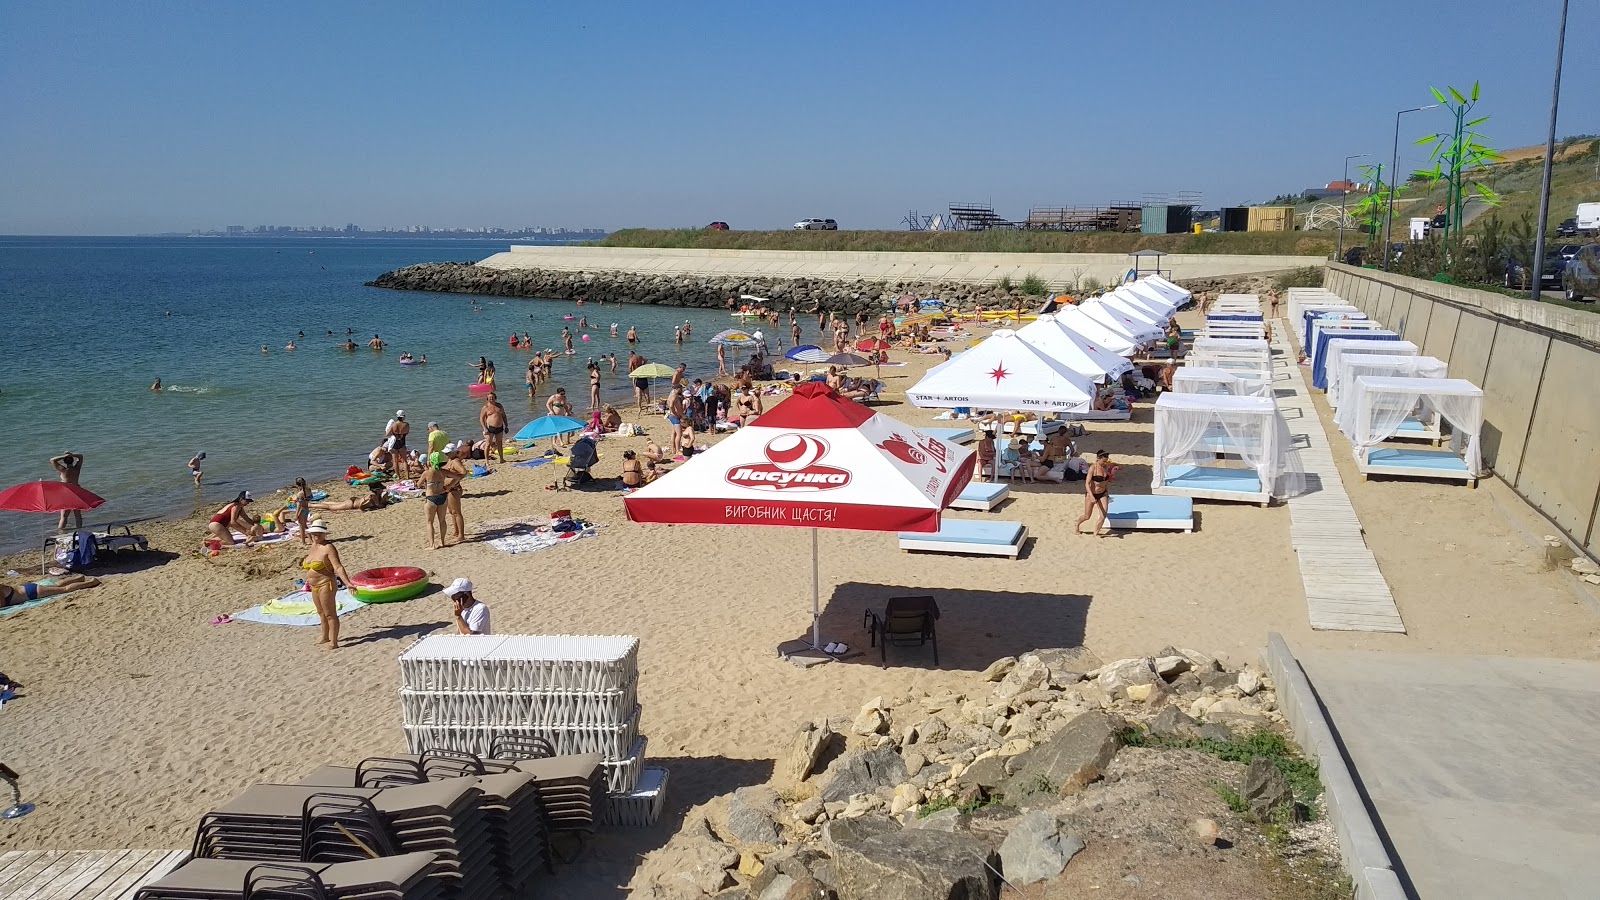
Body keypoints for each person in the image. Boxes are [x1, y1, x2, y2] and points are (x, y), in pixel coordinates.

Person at [301, 519, 356, 650]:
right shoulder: (313, 545)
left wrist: (347, 583)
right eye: (314, 533)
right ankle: (325, 636)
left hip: (326, 583)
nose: (316, 536)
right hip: (313, 585)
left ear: (325, 534)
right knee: (321, 612)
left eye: (319, 533)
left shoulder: (329, 548)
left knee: (330, 613)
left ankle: (334, 642)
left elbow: (338, 567)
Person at [421, 452, 464, 549]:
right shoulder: (443, 472)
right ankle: (442, 542)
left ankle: (432, 545)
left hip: (431, 498)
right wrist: (449, 486)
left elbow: (418, 484)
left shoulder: (427, 473)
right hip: (442, 496)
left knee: (429, 522)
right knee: (442, 520)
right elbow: (457, 477)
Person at [1, 574, 101, 607]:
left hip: (31, 593)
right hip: (27, 588)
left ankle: (91, 582)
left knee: (64, 589)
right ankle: (79, 578)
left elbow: (2, 604)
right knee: (56, 585)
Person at [1076, 450, 1114, 537]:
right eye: (1103, 461)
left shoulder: (1106, 468)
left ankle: (1095, 533)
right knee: (1087, 516)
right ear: (1098, 459)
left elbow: (1106, 482)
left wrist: (1107, 494)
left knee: (1103, 515)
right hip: (1092, 494)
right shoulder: (1093, 468)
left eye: (1106, 461)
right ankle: (1077, 524)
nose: (1105, 463)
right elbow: (1087, 483)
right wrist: (1091, 496)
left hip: (1103, 494)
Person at [49, 452, 85, 530]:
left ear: (64, 461)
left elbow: (52, 460)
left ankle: (60, 532)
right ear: (72, 460)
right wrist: (72, 455)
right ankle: (80, 530)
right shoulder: (77, 469)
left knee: (64, 516)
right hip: (76, 491)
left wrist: (63, 456)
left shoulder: (63, 470)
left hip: (66, 492)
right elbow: (81, 456)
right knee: (77, 514)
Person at [311, 482, 389, 512]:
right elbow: (363, 506)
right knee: (330, 507)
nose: (382, 490)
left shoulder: (376, 495)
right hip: (352, 504)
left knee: (337, 503)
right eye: (381, 489)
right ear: (378, 490)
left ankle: (321, 502)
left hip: (354, 501)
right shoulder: (373, 496)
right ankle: (310, 505)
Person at [480, 392, 508, 463]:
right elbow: (481, 419)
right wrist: (484, 428)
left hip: (500, 427)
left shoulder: (499, 406)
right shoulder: (485, 407)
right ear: (487, 399)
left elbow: (504, 416)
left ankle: (501, 459)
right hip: (490, 428)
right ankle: (486, 460)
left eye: (492, 397)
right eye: (490, 398)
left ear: (495, 398)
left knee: (499, 443)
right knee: (488, 444)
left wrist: (506, 425)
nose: (491, 399)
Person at [385, 412, 412, 480]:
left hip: (394, 443)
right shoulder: (406, 425)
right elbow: (407, 432)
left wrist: (394, 434)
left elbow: (387, 434)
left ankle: (398, 476)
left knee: (395, 461)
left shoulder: (394, 425)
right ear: (403, 417)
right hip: (402, 442)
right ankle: (407, 476)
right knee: (405, 461)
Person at [666, 388, 687, 454]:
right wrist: (675, 413)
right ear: (677, 389)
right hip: (675, 417)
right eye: (680, 389)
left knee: (674, 433)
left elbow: (670, 405)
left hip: (671, 416)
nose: (681, 391)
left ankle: (673, 449)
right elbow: (671, 405)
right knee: (679, 434)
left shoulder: (671, 396)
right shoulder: (674, 396)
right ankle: (677, 450)